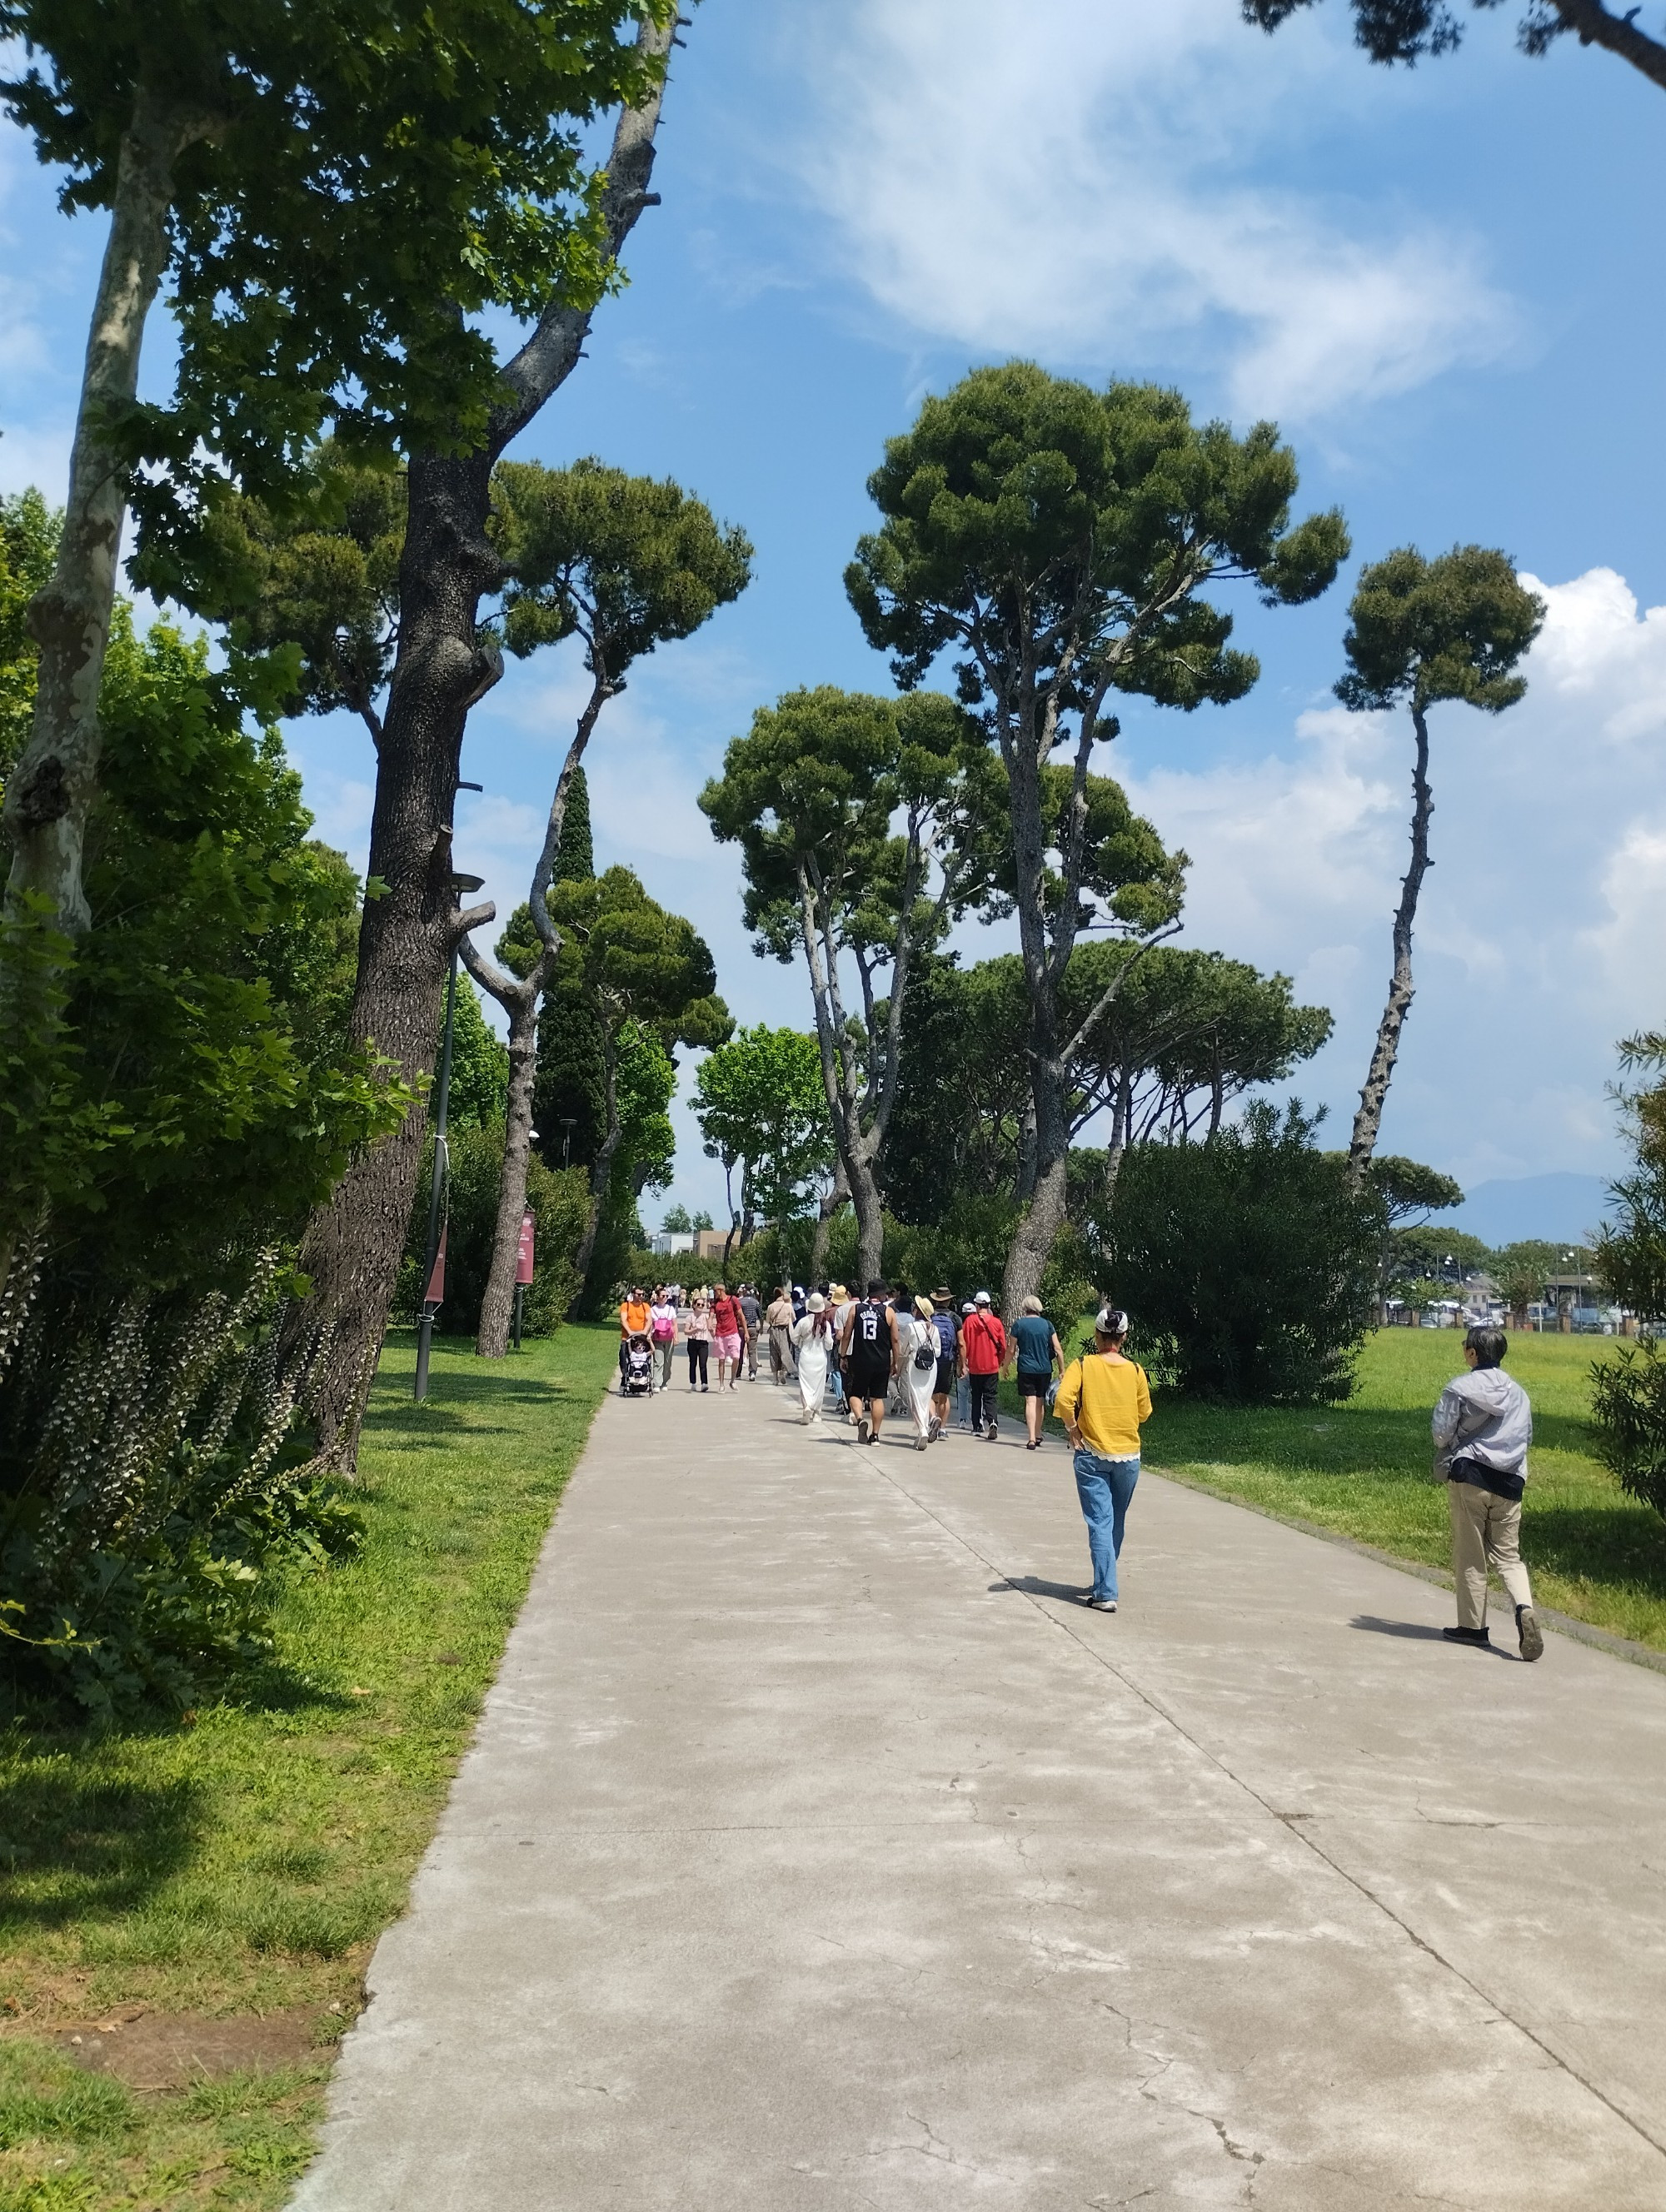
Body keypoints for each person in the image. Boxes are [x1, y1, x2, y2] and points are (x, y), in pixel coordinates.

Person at [1433, 1326, 1543, 1660]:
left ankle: (1472, 1628)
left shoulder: (1459, 1388)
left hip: (1471, 1477)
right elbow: (1527, 1438)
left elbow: (1440, 1434)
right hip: (1510, 1482)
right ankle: (1525, 1607)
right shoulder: (1519, 1393)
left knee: (1471, 1554)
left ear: (1472, 1354)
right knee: (1509, 1556)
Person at [1055, 1306, 1152, 1613]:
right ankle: (1104, 1579)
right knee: (1115, 1521)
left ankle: (1106, 1590)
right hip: (1128, 1457)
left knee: (1099, 1521)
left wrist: (1072, 1428)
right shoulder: (1136, 1371)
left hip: (1091, 1454)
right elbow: (1144, 1413)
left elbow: (1062, 1399)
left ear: (1097, 1336)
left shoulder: (1083, 1365)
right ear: (1122, 1337)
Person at [840, 1279, 898, 1444]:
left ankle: (860, 1419)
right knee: (877, 1398)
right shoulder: (888, 1312)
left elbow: (847, 1334)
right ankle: (875, 1435)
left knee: (855, 1394)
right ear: (880, 1295)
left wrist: (843, 1356)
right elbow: (895, 1339)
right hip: (881, 1360)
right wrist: (895, 1361)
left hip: (861, 1359)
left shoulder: (856, 1309)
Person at [1009, 1294, 1065, 1450]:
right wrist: (1062, 1370)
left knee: (1030, 1402)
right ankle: (1038, 1434)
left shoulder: (1019, 1325)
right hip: (1044, 1368)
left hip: (1026, 1368)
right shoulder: (1047, 1325)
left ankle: (1031, 1438)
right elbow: (1058, 1349)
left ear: (1025, 1308)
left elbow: (1011, 1350)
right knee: (1040, 1402)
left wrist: (1005, 1366)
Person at [961, 1290, 1007, 1442]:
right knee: (990, 1396)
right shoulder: (996, 1323)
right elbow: (1003, 1346)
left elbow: (965, 1343)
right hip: (991, 1365)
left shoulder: (969, 1322)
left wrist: (964, 1361)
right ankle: (992, 1421)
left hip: (975, 1365)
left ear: (976, 1305)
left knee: (976, 1396)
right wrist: (999, 1360)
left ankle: (976, 1426)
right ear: (988, 1305)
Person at [900, 1294, 940, 1450]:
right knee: (925, 1397)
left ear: (918, 1312)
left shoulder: (911, 1327)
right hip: (931, 1367)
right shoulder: (935, 1329)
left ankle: (922, 1429)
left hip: (914, 1365)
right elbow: (937, 1351)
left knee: (915, 1399)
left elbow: (904, 1349)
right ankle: (926, 1425)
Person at [792, 1292, 835, 1422]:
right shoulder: (825, 1324)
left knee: (805, 1384)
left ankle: (806, 1407)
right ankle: (817, 1413)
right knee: (819, 1385)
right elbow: (829, 1345)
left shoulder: (803, 1322)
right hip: (820, 1357)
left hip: (806, 1356)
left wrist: (801, 1341)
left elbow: (794, 1339)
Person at [928, 1288, 959, 1440]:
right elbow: (962, 1343)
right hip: (948, 1359)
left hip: (932, 1359)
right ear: (949, 1300)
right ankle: (943, 1429)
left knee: (931, 1394)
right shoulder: (954, 1318)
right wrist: (961, 1364)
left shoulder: (930, 1316)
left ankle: (933, 1419)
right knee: (944, 1396)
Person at [710, 1280, 746, 1391]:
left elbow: (741, 1315)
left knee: (736, 1357)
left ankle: (733, 1380)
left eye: (715, 1291)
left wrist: (746, 1332)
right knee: (721, 1359)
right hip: (720, 1334)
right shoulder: (715, 1303)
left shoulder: (733, 1300)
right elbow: (710, 1317)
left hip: (733, 1332)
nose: (714, 1293)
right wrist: (710, 1325)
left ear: (721, 1291)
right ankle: (721, 1384)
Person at [830, 1283, 855, 1418]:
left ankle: (849, 1407)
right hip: (865, 1350)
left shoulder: (840, 1311)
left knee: (844, 1378)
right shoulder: (866, 1307)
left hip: (845, 1349)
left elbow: (839, 1335)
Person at [617, 1283, 650, 1388]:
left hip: (642, 1336)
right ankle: (624, 1376)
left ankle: (642, 1378)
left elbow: (649, 1320)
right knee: (623, 1357)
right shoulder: (626, 1306)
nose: (641, 1296)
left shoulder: (645, 1306)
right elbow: (623, 1320)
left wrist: (645, 1331)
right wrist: (630, 1332)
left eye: (642, 1295)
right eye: (638, 1294)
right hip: (627, 1337)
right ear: (633, 1295)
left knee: (643, 1358)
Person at [648, 1284, 679, 1392]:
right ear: (657, 1297)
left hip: (669, 1338)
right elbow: (649, 1324)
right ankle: (657, 1382)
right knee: (658, 1361)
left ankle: (665, 1382)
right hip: (657, 1338)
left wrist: (676, 1337)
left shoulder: (671, 1309)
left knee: (667, 1361)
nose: (665, 1298)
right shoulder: (652, 1310)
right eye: (663, 1296)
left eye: (666, 1296)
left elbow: (674, 1324)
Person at [766, 1284, 796, 1384]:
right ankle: (783, 1372)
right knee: (785, 1351)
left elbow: (768, 1320)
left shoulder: (770, 1307)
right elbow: (793, 1318)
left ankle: (775, 1378)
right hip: (785, 1330)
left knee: (774, 1353)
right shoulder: (788, 1306)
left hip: (774, 1330)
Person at [686, 1288, 715, 1392]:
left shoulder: (706, 1317)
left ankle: (704, 1383)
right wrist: (693, 1329)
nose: (701, 1306)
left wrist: (716, 1338)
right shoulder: (690, 1317)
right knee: (693, 1363)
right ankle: (693, 1383)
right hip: (693, 1342)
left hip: (703, 1342)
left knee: (703, 1363)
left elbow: (711, 1329)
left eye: (702, 1305)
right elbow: (686, 1331)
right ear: (694, 1306)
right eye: (698, 1304)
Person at [955, 1301, 975, 1430]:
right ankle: (978, 1419)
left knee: (962, 1393)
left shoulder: (959, 1325)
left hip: (962, 1360)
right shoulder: (978, 1325)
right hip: (977, 1362)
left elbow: (959, 1344)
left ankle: (962, 1419)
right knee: (978, 1392)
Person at [738, 1283, 762, 1380]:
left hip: (741, 1329)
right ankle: (752, 1372)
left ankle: (737, 1372)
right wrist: (761, 1327)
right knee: (752, 1351)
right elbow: (761, 1316)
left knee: (740, 1350)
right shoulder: (756, 1302)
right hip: (752, 1328)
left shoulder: (740, 1302)